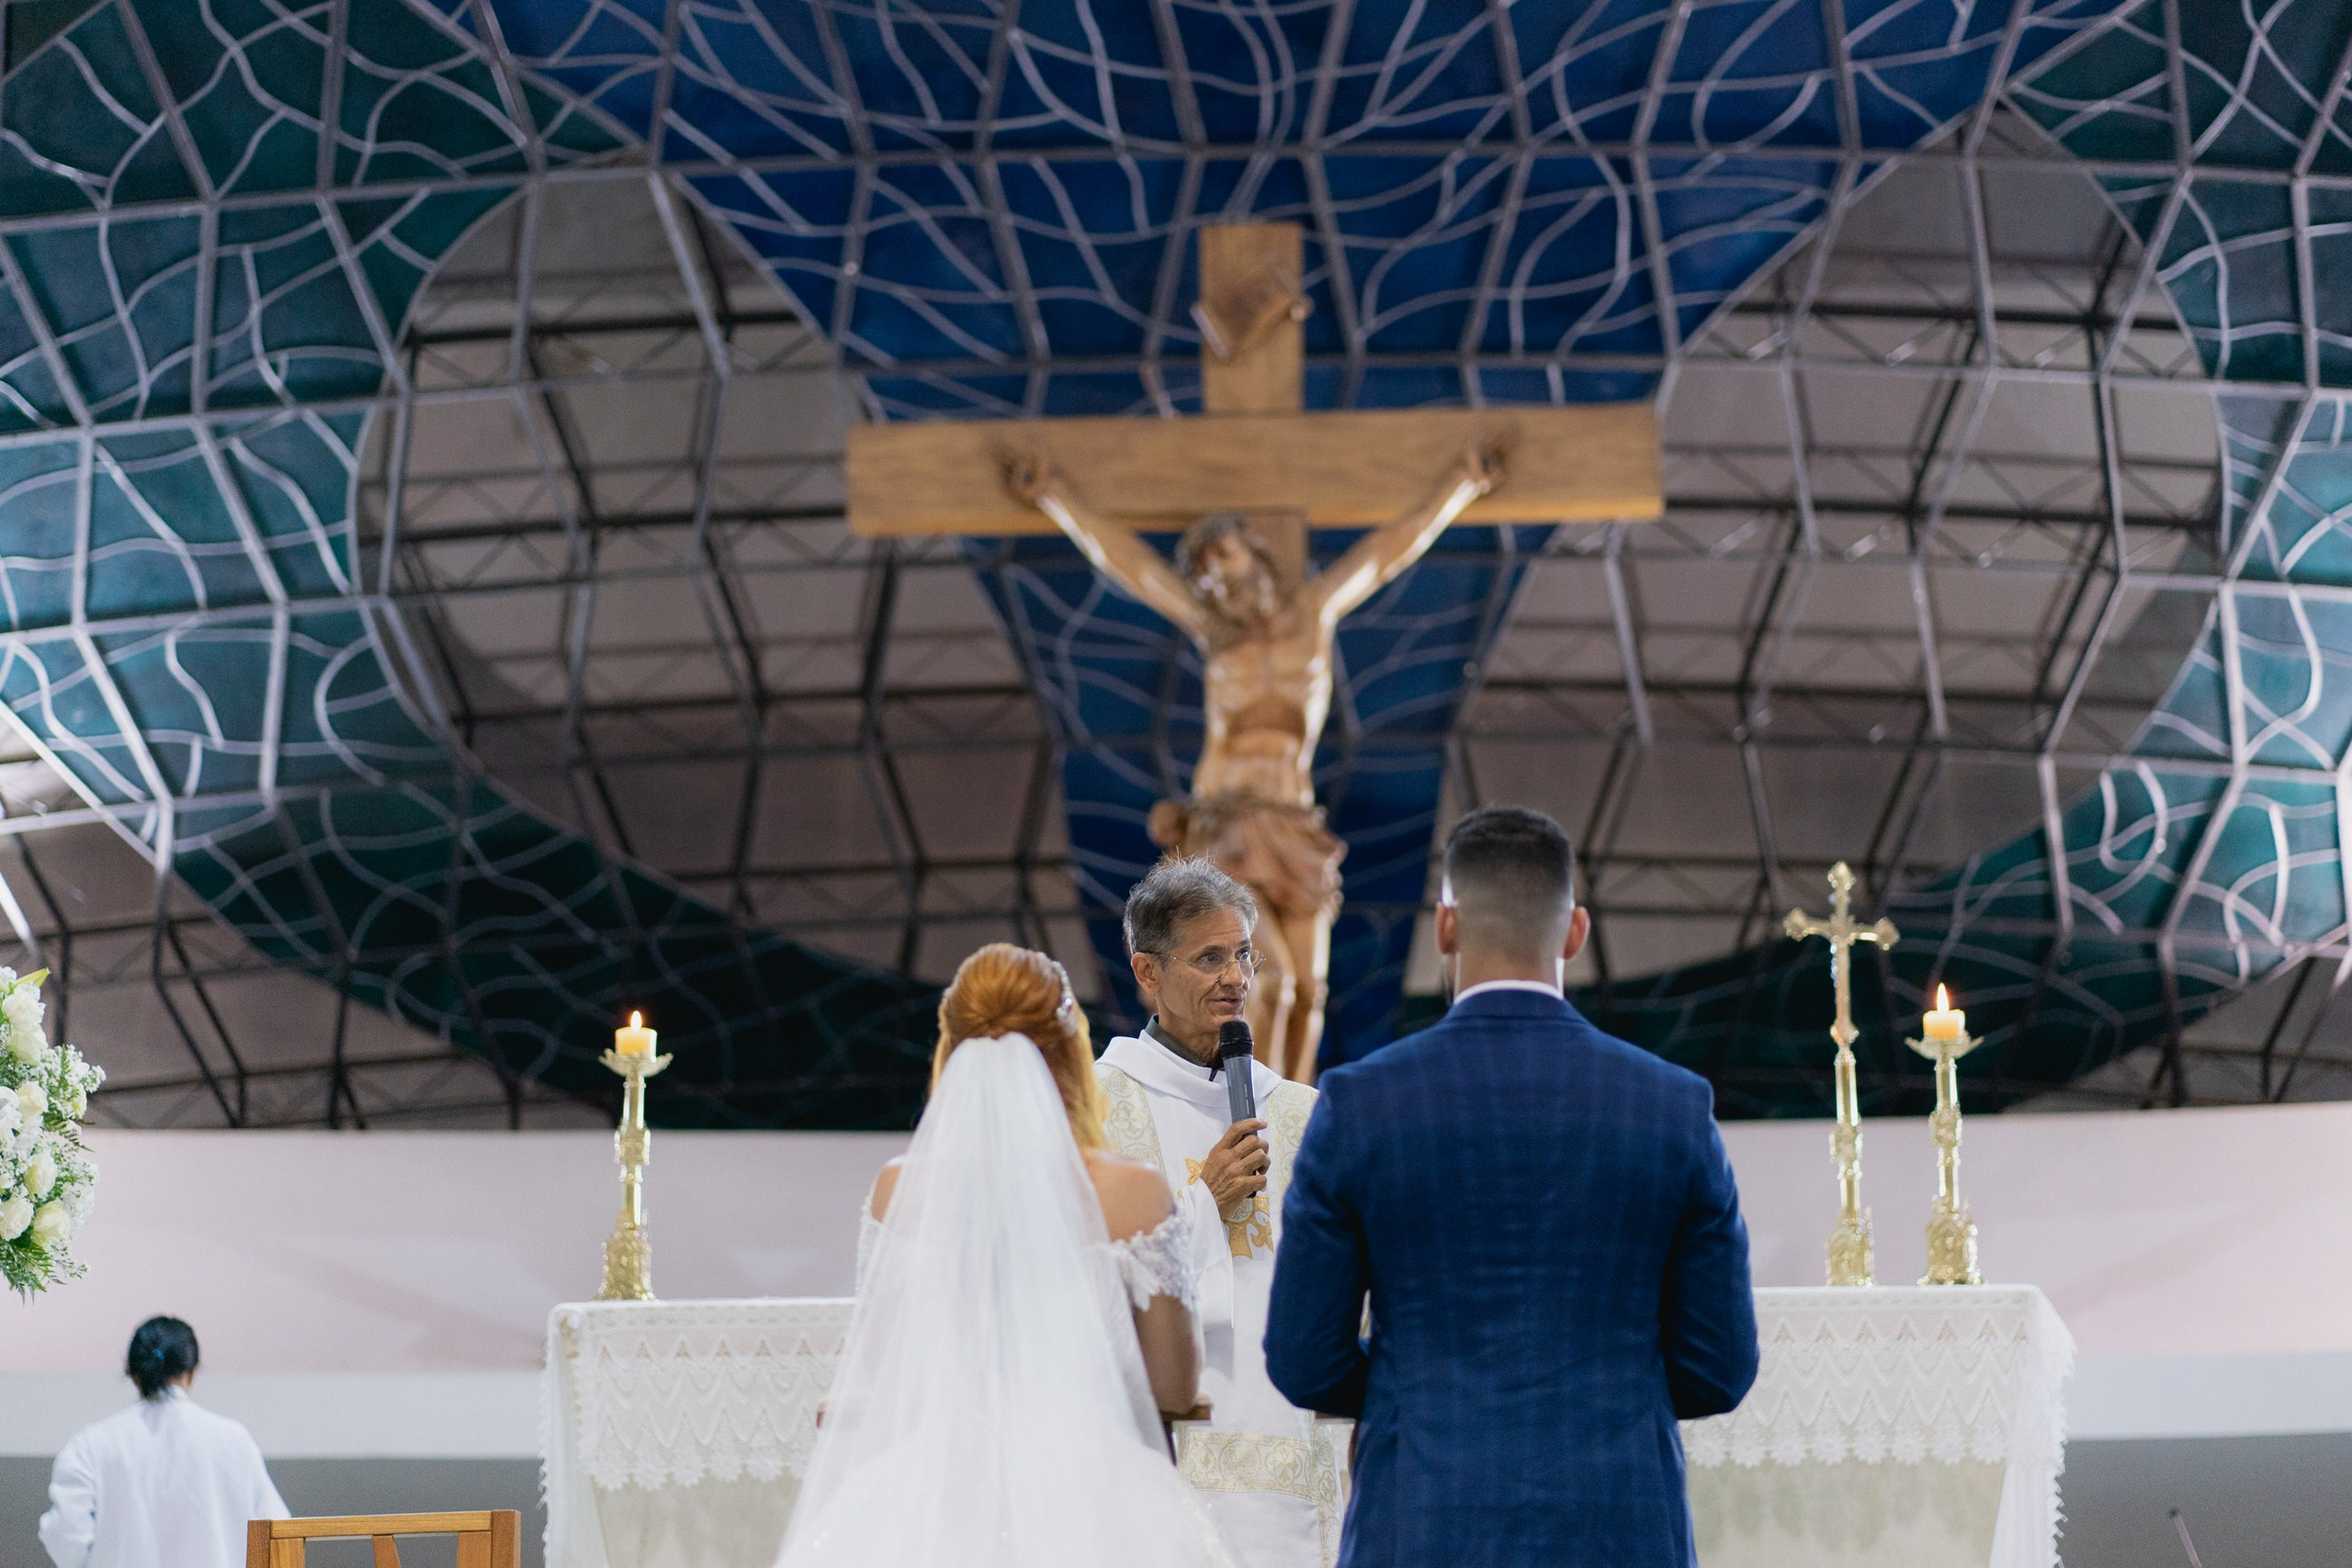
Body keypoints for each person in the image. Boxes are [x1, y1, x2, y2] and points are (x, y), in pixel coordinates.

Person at [1265, 807, 1759, 1568]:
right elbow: (1719, 1366)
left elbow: (1303, 1358)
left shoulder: (1361, 1102)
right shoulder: (1672, 1104)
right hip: (1620, 1521)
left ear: (1446, 926)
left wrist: (1411, 1383)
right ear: (1575, 931)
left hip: (1422, 1517)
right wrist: (1619, 1385)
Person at [1010, 445, 1503, 1081]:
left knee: (1308, 989)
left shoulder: (1314, 613)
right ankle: (1248, 1112)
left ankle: (1288, 1113)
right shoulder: (1216, 635)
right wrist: (1057, 498)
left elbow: (1387, 553)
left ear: (1253, 548)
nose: (1213, 577)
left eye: (1220, 555)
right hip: (1228, 822)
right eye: (1203, 572)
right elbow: (1129, 565)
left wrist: (1462, 484)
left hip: (1295, 827)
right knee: (1264, 985)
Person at [775, 943, 1235, 1568]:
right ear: (1071, 1051)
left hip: (935, 1492)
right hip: (1091, 1492)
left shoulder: (899, 1187)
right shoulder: (1133, 1193)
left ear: (952, 1049)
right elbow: (1174, 1386)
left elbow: (882, 1370)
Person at [1095, 858, 1333, 1568]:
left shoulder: (1300, 1111)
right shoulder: (1101, 1106)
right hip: (1156, 1443)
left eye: (1243, 954)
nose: (1236, 977)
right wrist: (1205, 1203)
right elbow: (1085, 1285)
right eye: (1209, 957)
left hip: (1284, 1446)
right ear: (1147, 972)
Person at [40, 1316, 289, 1568]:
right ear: (192, 1372)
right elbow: (278, 1534)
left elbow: (66, 1537)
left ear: (134, 1373)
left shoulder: (91, 1445)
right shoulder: (235, 1441)